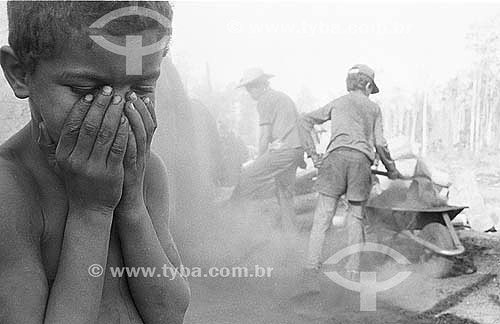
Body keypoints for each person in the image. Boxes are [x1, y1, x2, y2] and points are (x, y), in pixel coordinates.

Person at [0, 2, 189, 323]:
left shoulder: (146, 170)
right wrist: (92, 211)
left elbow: (169, 313)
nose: (118, 111)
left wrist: (131, 202)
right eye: (86, 90)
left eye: (142, 88)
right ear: (20, 74)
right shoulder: (11, 188)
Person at [300, 64, 402, 280]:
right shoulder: (373, 109)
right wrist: (391, 169)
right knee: (355, 218)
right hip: (360, 162)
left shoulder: (338, 102)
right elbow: (381, 143)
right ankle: (353, 269)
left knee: (323, 216)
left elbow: (305, 120)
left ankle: (311, 266)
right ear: (367, 84)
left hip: (334, 159)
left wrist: (313, 154)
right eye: (370, 87)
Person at [231, 68, 305, 232]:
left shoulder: (265, 100)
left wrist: (258, 159)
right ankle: (290, 238)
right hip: (296, 149)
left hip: (284, 150)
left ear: (260, 85)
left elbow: (264, 135)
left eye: (251, 88)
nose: (250, 92)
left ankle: (240, 229)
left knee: (247, 178)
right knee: (284, 193)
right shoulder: (282, 97)